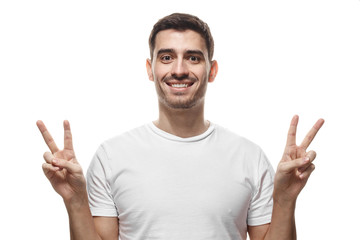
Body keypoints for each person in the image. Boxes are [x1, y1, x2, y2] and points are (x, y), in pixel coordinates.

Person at [37, 13, 324, 240]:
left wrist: (286, 199)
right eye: (166, 57)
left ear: (211, 70)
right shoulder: (112, 156)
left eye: (193, 57)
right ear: (150, 69)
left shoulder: (249, 156)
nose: (179, 70)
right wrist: (75, 201)